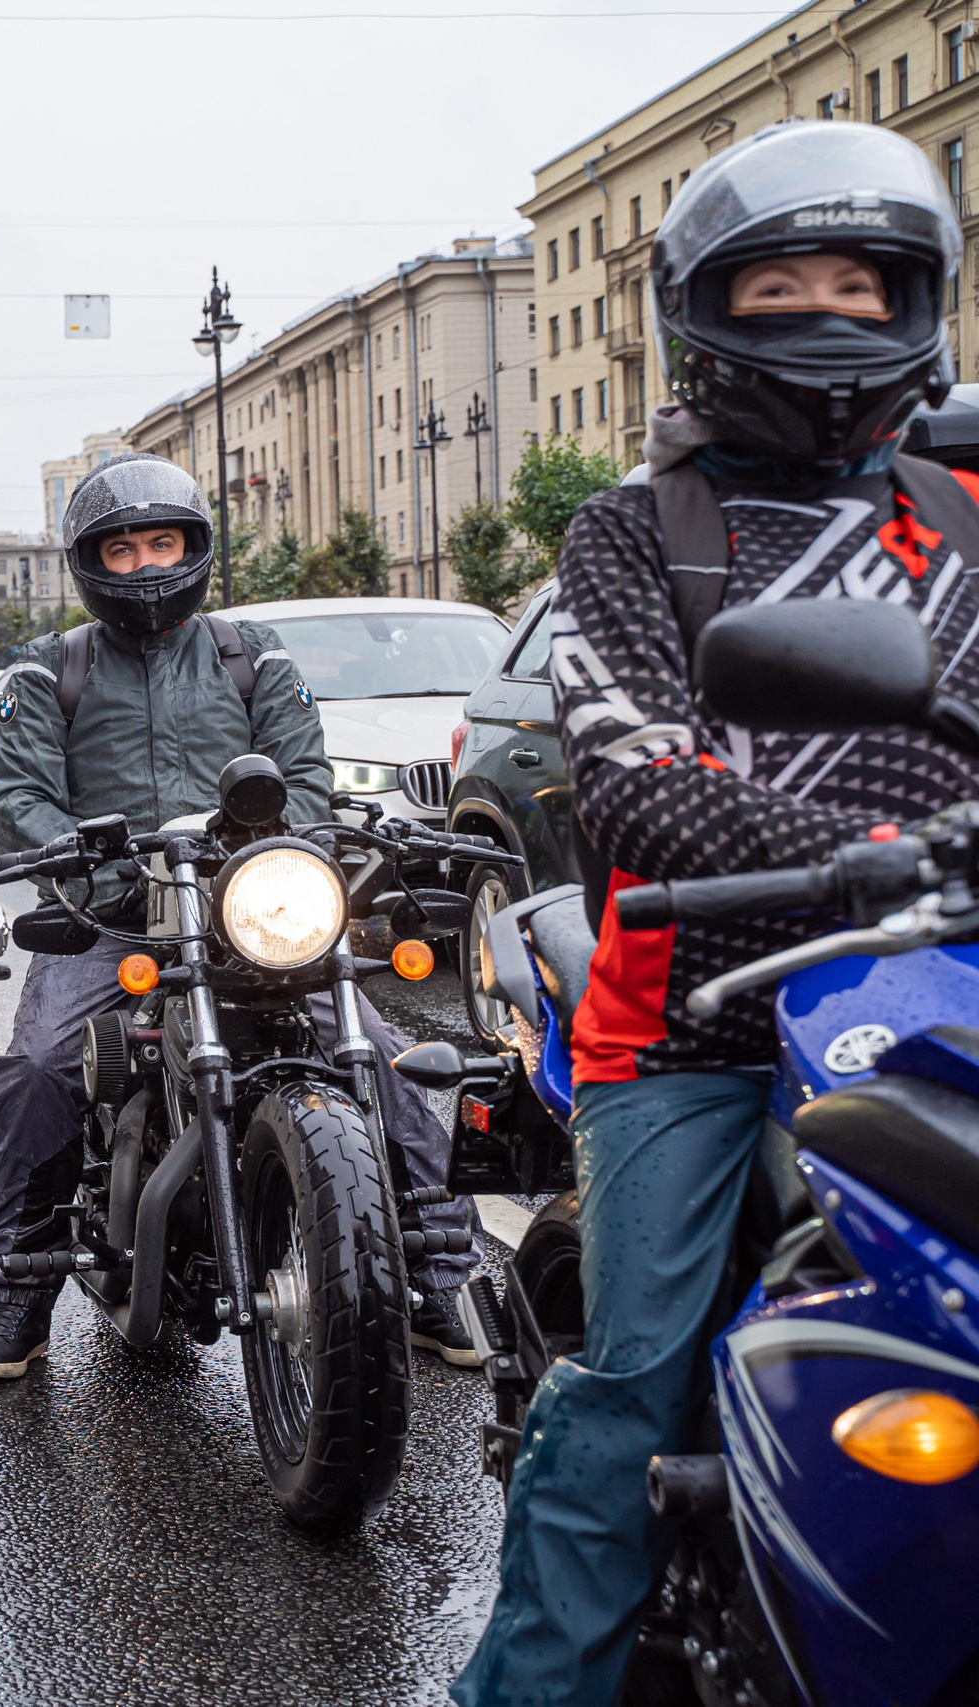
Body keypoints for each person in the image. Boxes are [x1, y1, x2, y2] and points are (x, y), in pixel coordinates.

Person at [454, 121, 979, 1707]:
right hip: (698, 1013)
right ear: (705, 313)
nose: (822, 307)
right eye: (776, 284)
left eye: (856, 276)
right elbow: (639, 780)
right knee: (630, 1383)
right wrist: (884, 847)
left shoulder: (956, 522)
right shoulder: (632, 530)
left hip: (941, 987)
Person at [0, 454, 480, 1380]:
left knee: (372, 1049)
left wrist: (296, 847)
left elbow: (305, 774)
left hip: (252, 912)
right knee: (38, 1067)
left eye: (163, 542)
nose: (147, 564)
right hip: (114, 919)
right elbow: (20, 793)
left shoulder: (254, 656)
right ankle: (18, 1286)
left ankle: (437, 1271)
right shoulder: (50, 668)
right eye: (123, 549)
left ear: (195, 547)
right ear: (93, 564)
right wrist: (104, 870)